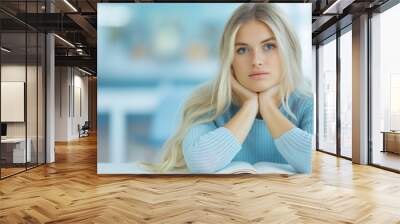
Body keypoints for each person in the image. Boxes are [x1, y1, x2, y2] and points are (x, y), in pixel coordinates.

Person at [156, 3, 313, 174]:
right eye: (242, 50)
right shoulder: (206, 102)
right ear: (230, 59)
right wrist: (250, 106)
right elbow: (201, 162)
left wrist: (267, 107)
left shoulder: (309, 101)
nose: (256, 60)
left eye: (269, 46)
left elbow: (316, 161)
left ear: (288, 51)